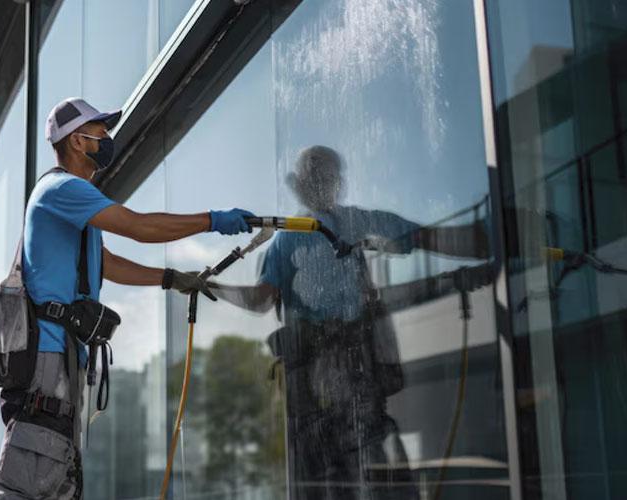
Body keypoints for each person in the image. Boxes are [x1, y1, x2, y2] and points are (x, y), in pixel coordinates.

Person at [0, 97, 253, 499]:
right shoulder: (61, 189)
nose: (107, 138)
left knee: (57, 478)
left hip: (64, 359)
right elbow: (139, 226)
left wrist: (170, 278)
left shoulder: (78, 210)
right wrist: (212, 220)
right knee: (31, 483)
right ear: (77, 142)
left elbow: (107, 264)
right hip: (47, 358)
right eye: (100, 131)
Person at [209, 146, 488, 499]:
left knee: (377, 472)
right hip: (315, 386)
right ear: (301, 184)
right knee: (330, 479)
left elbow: (426, 238)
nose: (321, 184)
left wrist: (492, 241)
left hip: (358, 376)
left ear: (337, 182)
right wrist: (211, 286)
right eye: (313, 177)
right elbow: (261, 300)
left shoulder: (356, 223)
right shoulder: (287, 238)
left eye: (327, 176)